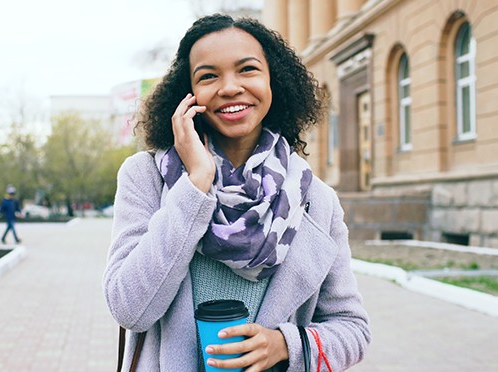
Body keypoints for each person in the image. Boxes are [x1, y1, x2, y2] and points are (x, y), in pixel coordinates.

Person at [103, 14, 370, 372]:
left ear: (273, 80)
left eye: (247, 69)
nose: (229, 87)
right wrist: (196, 183)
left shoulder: (315, 199)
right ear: (188, 93)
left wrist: (284, 345)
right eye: (208, 76)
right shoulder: (148, 177)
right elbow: (129, 308)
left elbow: (352, 329)